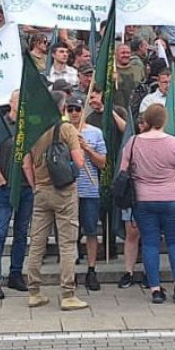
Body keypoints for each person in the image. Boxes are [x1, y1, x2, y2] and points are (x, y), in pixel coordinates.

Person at [121, 105, 175, 304]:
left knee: (150, 243)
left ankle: (155, 289)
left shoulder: (133, 143)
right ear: (163, 120)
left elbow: (124, 171)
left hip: (144, 200)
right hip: (172, 198)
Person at [24, 91, 88, 311]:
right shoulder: (67, 129)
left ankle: (34, 291)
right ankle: (68, 294)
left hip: (41, 190)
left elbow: (26, 165)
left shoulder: (34, 130)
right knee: (68, 243)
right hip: (64, 191)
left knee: (37, 243)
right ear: (61, 108)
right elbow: (79, 161)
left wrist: (35, 186)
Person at [0, 90, 31, 299]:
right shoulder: (0, 125)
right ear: (10, 102)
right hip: (5, 189)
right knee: (0, 233)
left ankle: (16, 274)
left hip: (25, 188)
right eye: (18, 99)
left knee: (21, 233)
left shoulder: (28, 125)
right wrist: (1, 181)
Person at [65, 95, 107, 291]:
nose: (74, 113)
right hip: (68, 189)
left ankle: (91, 270)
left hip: (89, 190)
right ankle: (69, 271)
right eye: (70, 109)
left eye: (77, 109)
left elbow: (102, 163)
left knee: (91, 231)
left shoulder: (95, 133)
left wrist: (87, 149)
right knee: (70, 233)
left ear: (83, 111)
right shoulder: (62, 132)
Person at [114, 43, 147, 109]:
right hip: (116, 108)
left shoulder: (137, 69)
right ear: (116, 54)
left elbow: (139, 84)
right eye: (123, 53)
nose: (126, 55)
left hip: (133, 108)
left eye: (128, 53)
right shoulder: (111, 71)